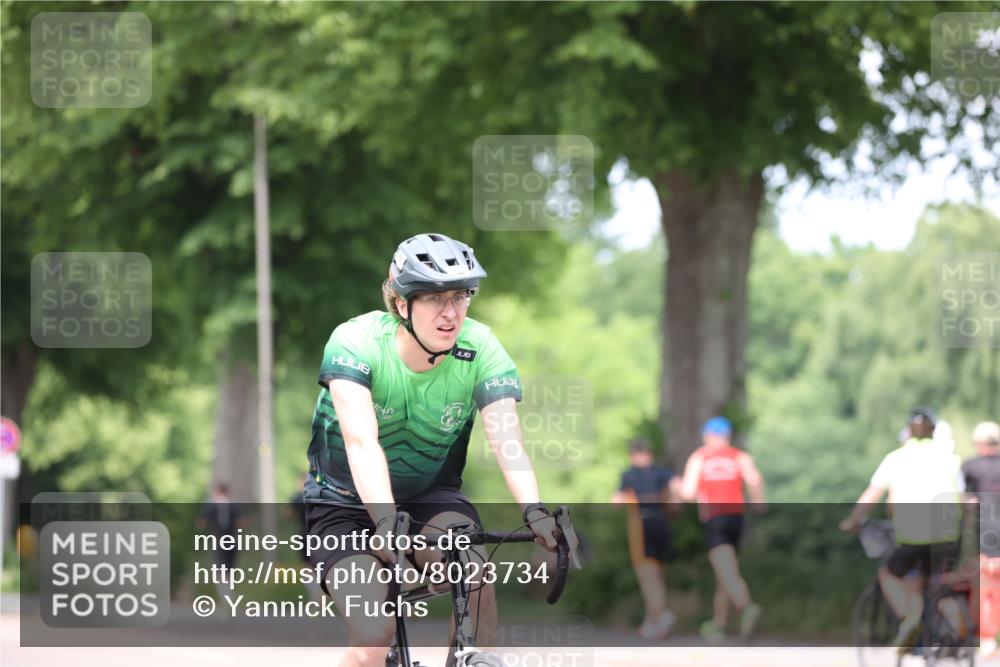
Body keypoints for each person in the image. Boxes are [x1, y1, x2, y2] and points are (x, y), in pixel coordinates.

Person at [303, 233, 560, 667]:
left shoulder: (481, 348)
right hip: (342, 504)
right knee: (372, 634)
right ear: (402, 305)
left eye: (461, 297)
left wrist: (535, 509)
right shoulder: (356, 343)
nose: (451, 313)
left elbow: (507, 439)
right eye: (434, 299)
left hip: (430, 496)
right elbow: (362, 443)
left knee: (474, 572)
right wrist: (384, 522)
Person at [840, 407, 965, 649]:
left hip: (913, 535)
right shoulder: (950, 459)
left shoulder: (896, 458)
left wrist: (853, 521)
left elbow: (872, 495)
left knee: (890, 574)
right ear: (934, 431)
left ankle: (910, 620)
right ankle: (957, 630)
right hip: (948, 533)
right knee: (937, 582)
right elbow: (962, 499)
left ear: (909, 431)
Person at [680, 416, 765, 643]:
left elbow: (688, 492)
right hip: (736, 518)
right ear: (727, 437)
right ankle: (718, 624)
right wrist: (759, 504)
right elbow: (755, 480)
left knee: (726, 571)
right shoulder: (739, 456)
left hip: (714, 518)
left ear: (707, 436)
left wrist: (679, 490)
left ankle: (746, 607)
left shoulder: (700, 457)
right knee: (725, 572)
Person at [612, 437, 680, 640]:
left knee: (647, 576)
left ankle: (662, 615)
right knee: (657, 575)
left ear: (633, 455)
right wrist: (673, 504)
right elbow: (678, 489)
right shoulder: (663, 472)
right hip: (663, 524)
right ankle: (651, 623)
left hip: (641, 525)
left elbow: (616, 501)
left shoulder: (629, 475)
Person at [962, 421, 1000, 655]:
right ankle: (989, 637)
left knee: (984, 587)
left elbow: (968, 505)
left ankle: (984, 637)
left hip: (984, 532)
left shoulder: (970, 467)